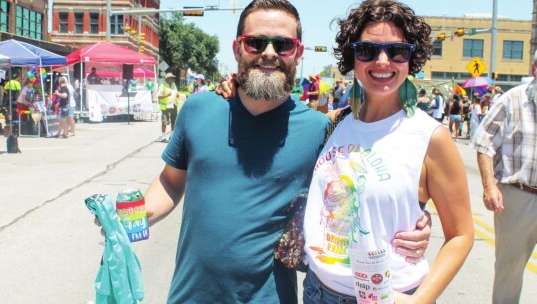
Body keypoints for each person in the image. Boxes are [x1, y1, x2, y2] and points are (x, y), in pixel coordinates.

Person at [95, 1, 432, 303]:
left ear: (298, 54)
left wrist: (416, 220)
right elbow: (170, 182)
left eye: (282, 44)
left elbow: (358, 188)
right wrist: (133, 218)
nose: (269, 52)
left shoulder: (320, 130)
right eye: (256, 42)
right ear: (238, 48)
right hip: (190, 295)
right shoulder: (197, 110)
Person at [303, 1, 474, 303]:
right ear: (352, 57)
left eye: (397, 51)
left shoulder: (431, 137)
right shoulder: (334, 123)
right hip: (317, 290)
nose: (383, 61)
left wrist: (421, 300)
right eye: (367, 50)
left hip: (386, 296)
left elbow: (461, 235)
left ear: (411, 59)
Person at [470, 52, 537, 304]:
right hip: (519, 195)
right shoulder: (512, 100)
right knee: (510, 269)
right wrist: (489, 186)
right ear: (534, 69)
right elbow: (484, 142)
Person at [157, 72, 178, 142]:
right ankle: (163, 137)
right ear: (168, 79)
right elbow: (159, 96)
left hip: (173, 105)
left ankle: (171, 136)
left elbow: (176, 93)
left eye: (173, 78)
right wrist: (166, 95)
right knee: (165, 122)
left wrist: (177, 95)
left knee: (173, 122)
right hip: (165, 107)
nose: (173, 80)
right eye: (171, 78)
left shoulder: (174, 85)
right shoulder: (162, 86)